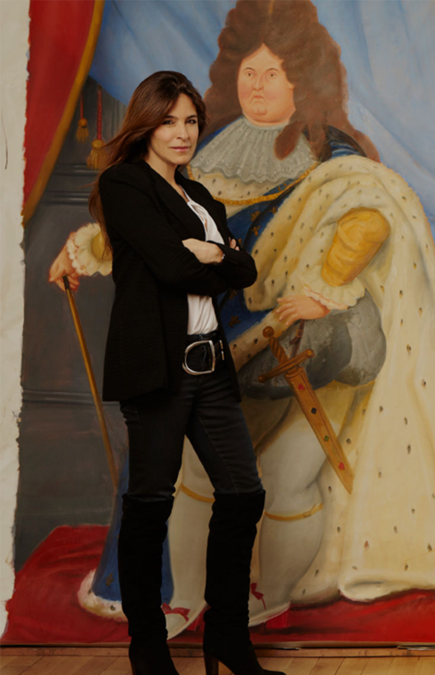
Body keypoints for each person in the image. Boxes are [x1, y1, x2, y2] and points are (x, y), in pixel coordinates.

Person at [56, 0, 435, 638]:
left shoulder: (331, 153)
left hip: (299, 344)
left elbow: (372, 219)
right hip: (205, 338)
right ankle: (181, 598)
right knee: (181, 473)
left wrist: (326, 289)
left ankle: (265, 593)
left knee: (282, 478)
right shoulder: (203, 153)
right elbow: (153, 230)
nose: (258, 86)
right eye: (249, 72)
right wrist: (87, 249)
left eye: (274, 73)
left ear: (302, 81)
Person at [49, 72, 282, 675]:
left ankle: (226, 637)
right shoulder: (124, 185)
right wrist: (213, 257)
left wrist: (211, 254)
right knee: (150, 505)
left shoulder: (198, 195)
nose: (182, 133)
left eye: (191, 121)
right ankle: (148, 649)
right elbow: (174, 270)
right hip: (158, 370)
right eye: (169, 121)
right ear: (146, 125)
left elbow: (246, 271)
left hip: (212, 368)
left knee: (244, 494)